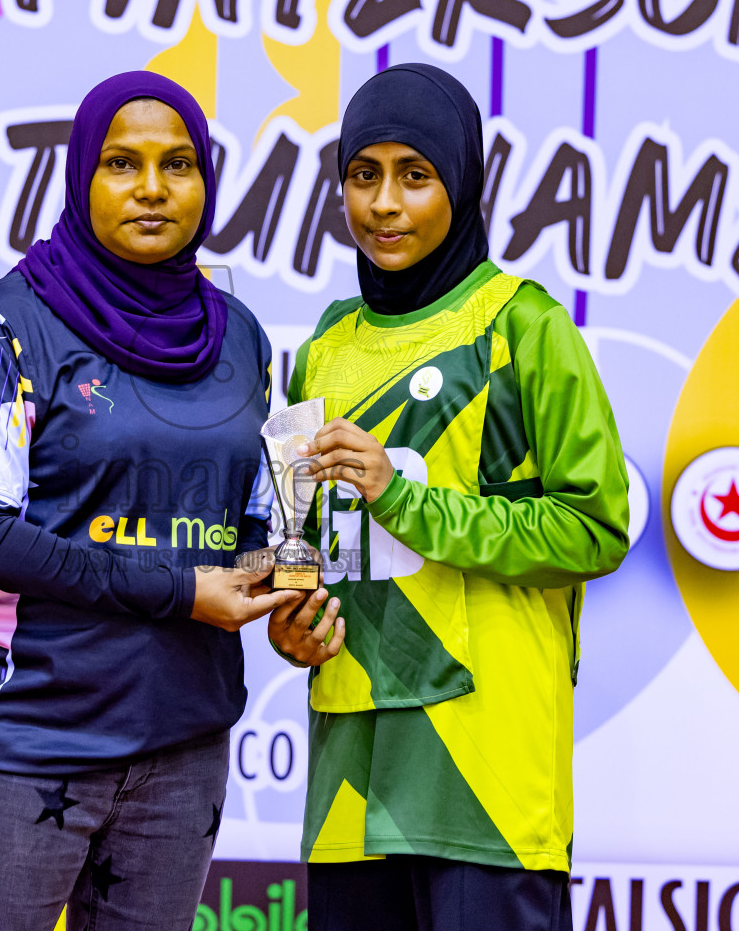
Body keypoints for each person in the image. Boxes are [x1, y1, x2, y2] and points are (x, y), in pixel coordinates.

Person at [0, 71, 297, 931]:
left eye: (180, 164)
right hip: (23, 736)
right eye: (123, 163)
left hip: (184, 743)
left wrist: (285, 591)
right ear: (82, 174)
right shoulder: (0, 327)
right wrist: (178, 591)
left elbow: (245, 527)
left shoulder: (239, 337)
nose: (155, 189)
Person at [268, 63, 630, 931]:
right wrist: (288, 619)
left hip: (485, 774)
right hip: (352, 771)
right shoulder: (323, 348)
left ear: (461, 183)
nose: (385, 204)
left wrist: (408, 500)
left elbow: (596, 526)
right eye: (364, 175)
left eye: (415, 175)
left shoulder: (524, 324)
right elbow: (301, 546)